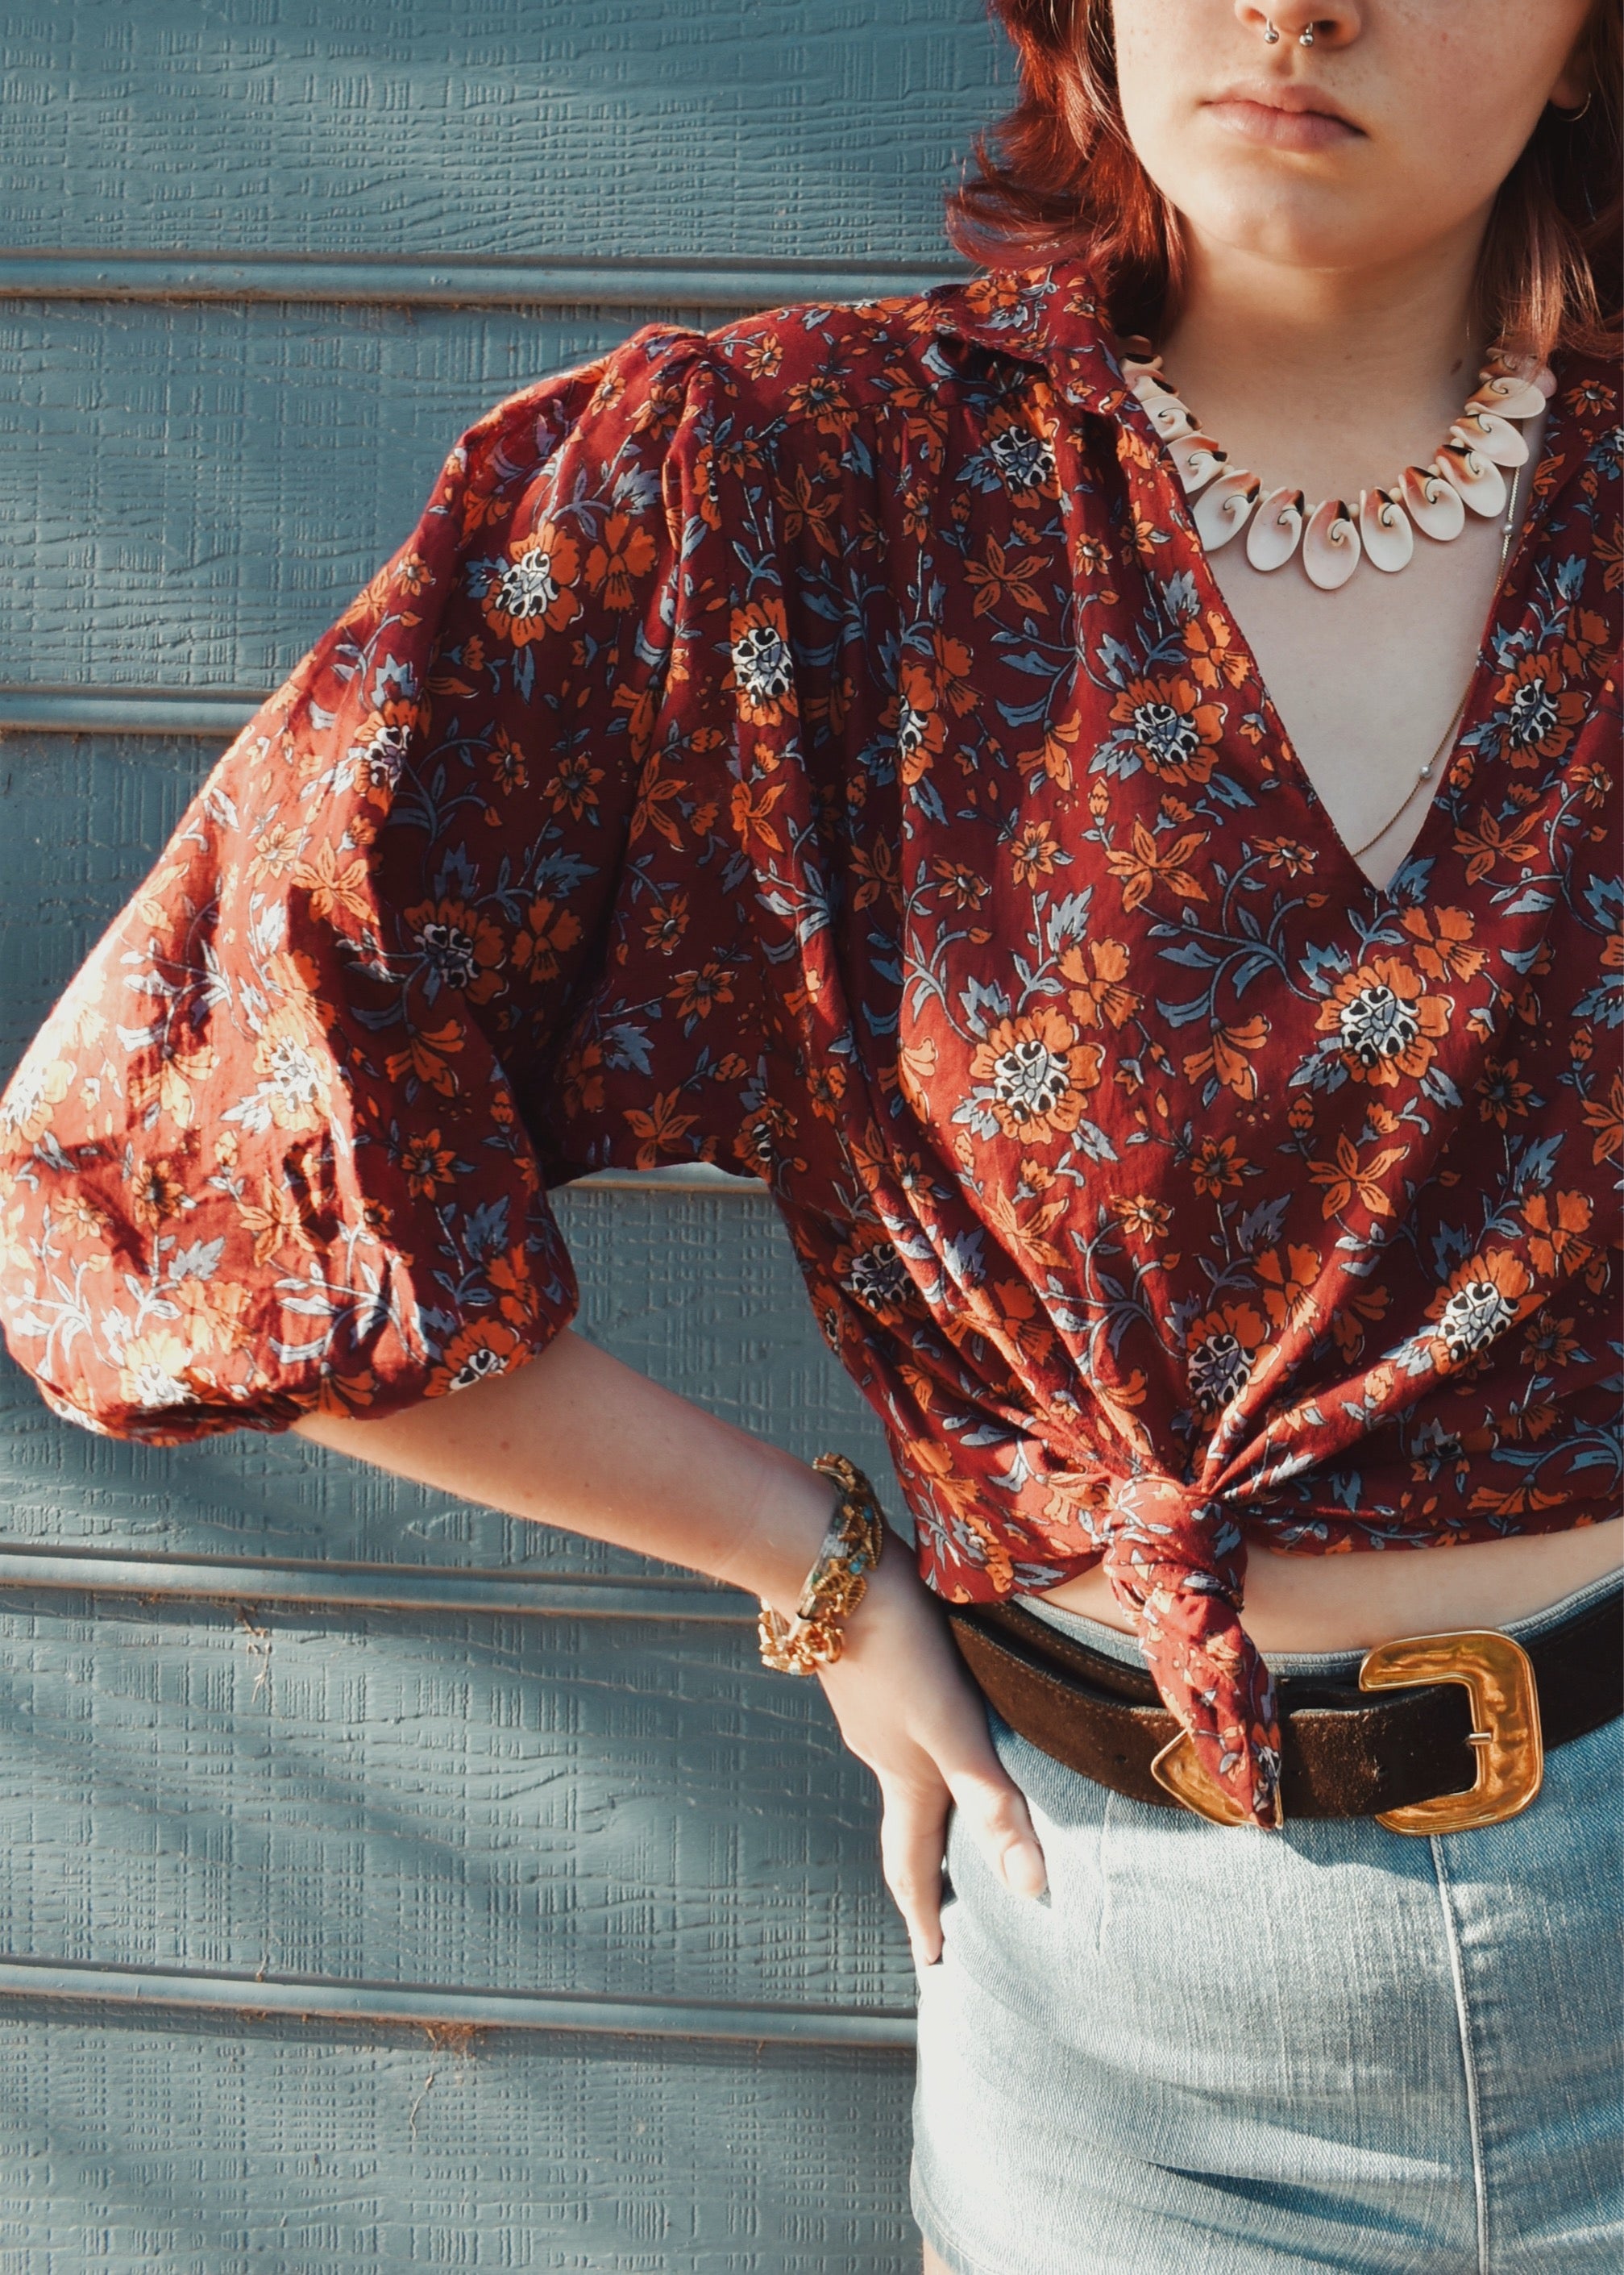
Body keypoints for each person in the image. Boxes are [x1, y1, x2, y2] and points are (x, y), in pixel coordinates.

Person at [0, 0, 1618, 2265]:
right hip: (1131, 2033)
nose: (1302, 4)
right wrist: (814, 1564)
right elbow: (169, 1138)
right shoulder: (797, 497)